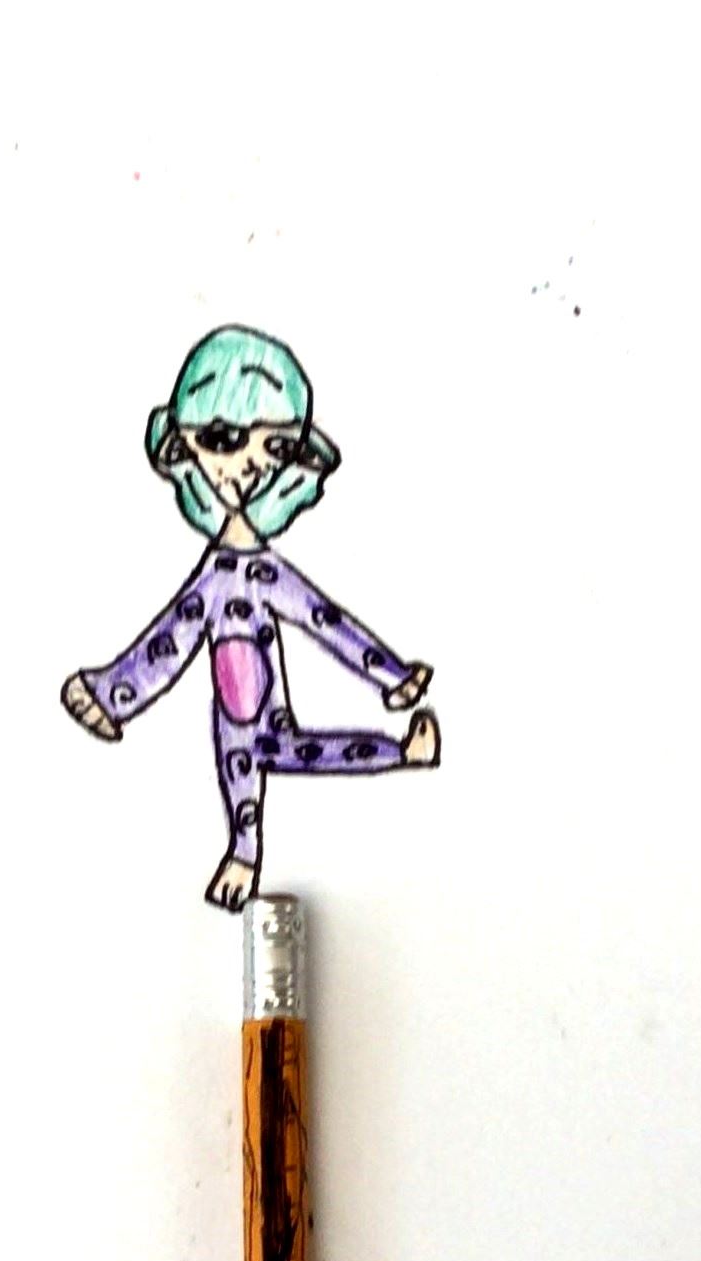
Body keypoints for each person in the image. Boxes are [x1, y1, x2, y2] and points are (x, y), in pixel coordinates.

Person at [61, 324, 440, 911]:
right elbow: (168, 644)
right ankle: (243, 851)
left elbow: (327, 623)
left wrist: (393, 678)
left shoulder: (264, 573)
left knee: (291, 751)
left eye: (277, 449)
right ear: (183, 446)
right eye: (222, 438)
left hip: (260, 711)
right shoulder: (218, 576)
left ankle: (399, 755)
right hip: (236, 716)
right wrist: (108, 698)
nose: (248, 467)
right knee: (254, 752)